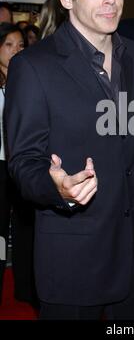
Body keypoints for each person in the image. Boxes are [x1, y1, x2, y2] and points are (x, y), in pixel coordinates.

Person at [5, 0, 134, 320]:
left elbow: (133, 145)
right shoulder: (33, 66)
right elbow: (23, 161)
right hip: (75, 259)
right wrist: (56, 187)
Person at [0, 23, 37, 306]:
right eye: (8, 45)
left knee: (25, 230)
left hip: (21, 164)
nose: (15, 51)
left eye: (20, 46)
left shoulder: (26, 78)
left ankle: (25, 289)